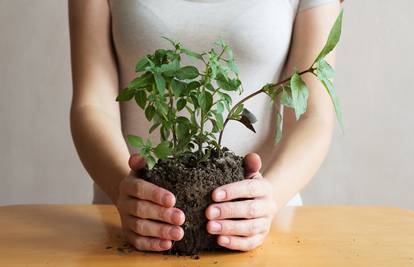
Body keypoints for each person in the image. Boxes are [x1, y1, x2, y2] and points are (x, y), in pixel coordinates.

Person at [68, 0, 341, 252]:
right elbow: (92, 103)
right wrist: (123, 190)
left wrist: (269, 200)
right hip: (133, 226)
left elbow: (312, 115)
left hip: (263, 231)